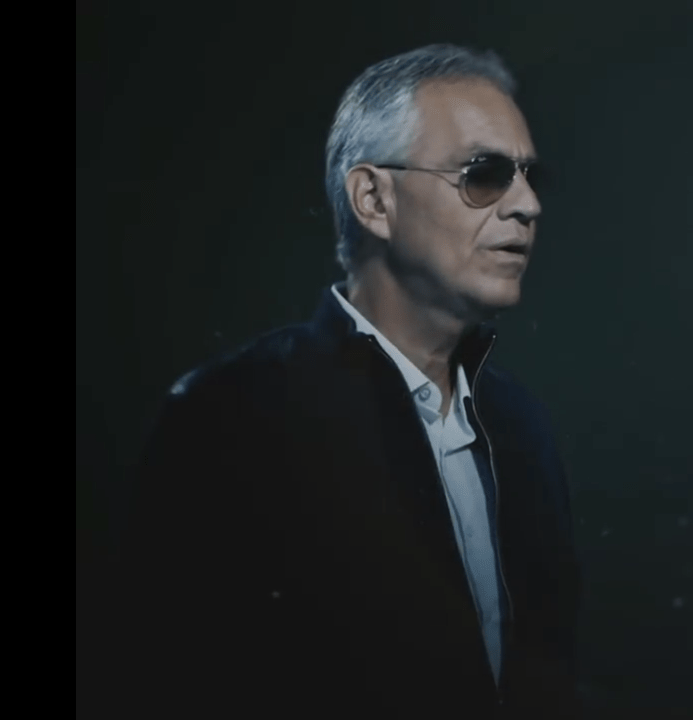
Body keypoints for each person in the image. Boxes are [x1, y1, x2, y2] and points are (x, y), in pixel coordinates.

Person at [116, 44, 580, 719]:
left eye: (530, 176)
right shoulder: (233, 418)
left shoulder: (520, 426)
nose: (528, 205)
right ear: (373, 198)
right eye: (484, 174)